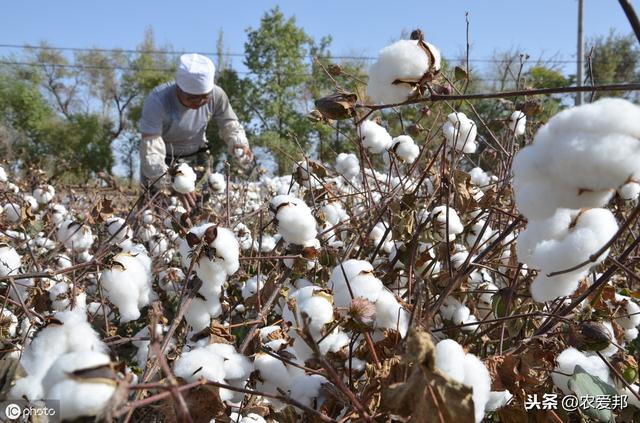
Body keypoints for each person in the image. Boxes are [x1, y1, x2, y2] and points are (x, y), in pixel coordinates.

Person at [139, 53, 253, 210]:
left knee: (199, 209)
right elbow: (150, 150)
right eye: (192, 98)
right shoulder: (158, 100)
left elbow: (229, 123)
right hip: (162, 161)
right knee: (154, 211)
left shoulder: (217, 95)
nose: (199, 103)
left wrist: (238, 143)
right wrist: (176, 182)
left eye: (204, 97)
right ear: (179, 88)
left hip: (197, 158)